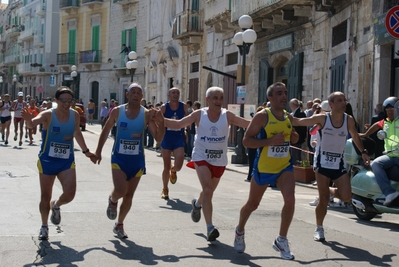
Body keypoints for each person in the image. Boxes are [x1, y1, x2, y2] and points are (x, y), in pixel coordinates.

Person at [164, 86, 250, 242]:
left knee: (207, 192)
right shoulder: (199, 114)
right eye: (215, 98)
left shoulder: (228, 115)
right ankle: (210, 227)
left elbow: (247, 124)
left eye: (220, 98)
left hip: (219, 160)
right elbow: (178, 124)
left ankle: (197, 204)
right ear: (207, 100)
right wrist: (159, 119)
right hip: (201, 156)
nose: (218, 101)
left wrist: (267, 122)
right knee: (208, 189)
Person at [291, 91, 370, 242]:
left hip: (338, 163)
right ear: (331, 105)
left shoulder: (349, 120)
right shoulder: (322, 118)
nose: (344, 103)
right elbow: (299, 121)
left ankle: (327, 189)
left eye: (344, 100)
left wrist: (364, 152)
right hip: (322, 163)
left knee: (346, 196)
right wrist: (285, 117)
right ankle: (319, 228)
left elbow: (355, 136)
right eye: (340, 100)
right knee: (324, 200)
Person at [21, 86, 96, 240]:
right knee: (45, 196)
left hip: (66, 161)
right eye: (63, 100)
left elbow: (76, 132)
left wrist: (86, 152)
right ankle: (44, 226)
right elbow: (32, 124)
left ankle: (56, 205)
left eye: (70, 100)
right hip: (47, 160)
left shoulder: (75, 115)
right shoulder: (48, 114)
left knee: (70, 194)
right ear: (56, 100)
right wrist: (28, 120)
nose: (67, 103)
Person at [234, 82, 299, 259]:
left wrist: (294, 137)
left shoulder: (288, 117)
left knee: (290, 200)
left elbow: (291, 138)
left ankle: (282, 239)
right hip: (264, 167)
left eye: (285, 92)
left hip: (284, 166)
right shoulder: (263, 117)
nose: (284, 96)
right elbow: (246, 141)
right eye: (279, 93)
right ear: (270, 97)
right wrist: (269, 142)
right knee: (252, 205)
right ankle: (240, 230)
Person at [93, 82, 165, 239]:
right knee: (120, 190)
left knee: (129, 195)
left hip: (137, 160)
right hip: (119, 158)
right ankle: (112, 200)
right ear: (127, 94)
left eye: (139, 92)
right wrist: (98, 152)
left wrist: (162, 121)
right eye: (133, 92)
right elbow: (105, 131)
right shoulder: (117, 111)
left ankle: (119, 225)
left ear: (142, 96)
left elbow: (158, 138)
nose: (136, 94)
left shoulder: (146, 114)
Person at [360, 96, 399, 206]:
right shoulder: (385, 122)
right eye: (387, 110)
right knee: (376, 163)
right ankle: (390, 193)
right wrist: (365, 134)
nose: (389, 112)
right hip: (390, 155)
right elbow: (376, 125)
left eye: (392, 109)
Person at [160, 88, 188, 199]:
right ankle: (165, 189)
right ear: (168, 95)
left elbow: (188, 118)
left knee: (179, 165)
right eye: (173, 93)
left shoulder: (183, 106)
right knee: (166, 165)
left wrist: (185, 129)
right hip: (166, 138)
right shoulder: (164, 107)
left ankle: (174, 170)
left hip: (178, 138)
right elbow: (158, 120)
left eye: (177, 93)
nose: (175, 95)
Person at [245, 106, 265, 182]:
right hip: (258, 144)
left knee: (252, 161)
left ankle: (251, 176)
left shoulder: (256, 122)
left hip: (254, 143)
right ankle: (251, 175)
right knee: (254, 161)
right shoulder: (262, 123)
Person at [289, 98, 307, 164]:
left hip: (297, 138)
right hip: (292, 139)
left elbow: (302, 127)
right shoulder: (292, 113)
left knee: (296, 156)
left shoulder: (300, 113)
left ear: (293, 105)